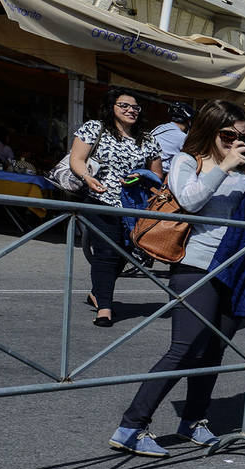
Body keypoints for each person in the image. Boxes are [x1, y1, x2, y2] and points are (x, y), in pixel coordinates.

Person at [108, 102, 245, 457]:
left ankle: (193, 420)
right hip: (195, 265)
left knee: (213, 351)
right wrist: (226, 167)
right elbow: (190, 201)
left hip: (235, 268)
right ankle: (131, 426)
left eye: (241, 137)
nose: (235, 143)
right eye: (228, 135)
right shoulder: (188, 161)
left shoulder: (243, 172)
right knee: (185, 347)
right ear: (211, 129)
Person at [69, 87, 163, 327]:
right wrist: (88, 178)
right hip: (99, 200)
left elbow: (156, 176)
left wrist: (141, 178)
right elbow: (77, 159)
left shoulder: (148, 139)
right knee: (107, 251)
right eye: (124, 106)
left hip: (133, 206)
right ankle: (105, 309)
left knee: (125, 252)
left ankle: (97, 293)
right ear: (111, 107)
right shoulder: (95, 128)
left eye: (135, 107)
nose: (131, 110)